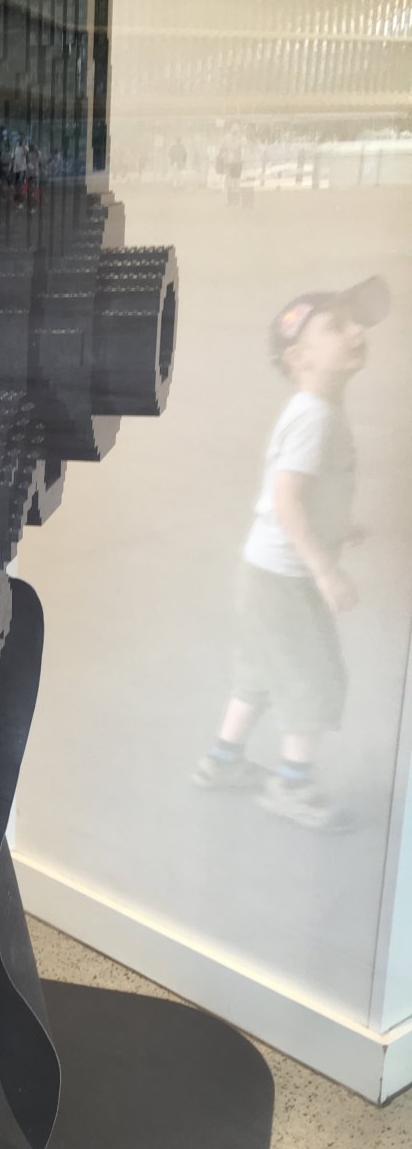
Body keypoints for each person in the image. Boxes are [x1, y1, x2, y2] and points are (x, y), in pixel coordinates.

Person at [194, 276, 389, 830]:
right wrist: (326, 570)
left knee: (259, 670)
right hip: (284, 580)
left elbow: (304, 496)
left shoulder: (318, 409)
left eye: (356, 322)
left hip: (265, 573)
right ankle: (291, 784)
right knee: (312, 677)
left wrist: (338, 528)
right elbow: (286, 499)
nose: (356, 331)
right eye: (337, 326)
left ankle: (222, 761)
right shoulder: (316, 417)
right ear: (300, 358)